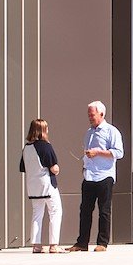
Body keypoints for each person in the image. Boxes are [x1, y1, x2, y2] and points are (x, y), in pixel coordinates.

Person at [69, 100, 124, 251]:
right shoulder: (89, 132)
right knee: (85, 210)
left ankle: (102, 242)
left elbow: (119, 153)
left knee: (104, 210)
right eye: (89, 114)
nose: (90, 117)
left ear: (101, 114)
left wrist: (98, 152)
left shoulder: (111, 131)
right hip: (89, 176)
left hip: (105, 175)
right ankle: (82, 243)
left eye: (92, 114)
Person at [19, 119, 64, 252]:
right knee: (55, 212)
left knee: (37, 214)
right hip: (47, 184)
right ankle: (54, 245)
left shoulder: (26, 148)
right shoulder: (45, 146)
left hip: (33, 186)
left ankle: (36, 245)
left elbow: (23, 167)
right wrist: (57, 169)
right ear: (42, 131)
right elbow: (54, 168)